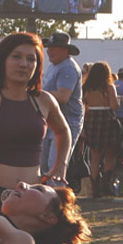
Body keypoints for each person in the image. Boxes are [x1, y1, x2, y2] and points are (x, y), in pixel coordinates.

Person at [0, 33, 69, 207]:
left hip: (32, 198)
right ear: (2, 60)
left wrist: (60, 165)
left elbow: (63, 131)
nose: (23, 64)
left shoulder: (44, 100)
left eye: (31, 59)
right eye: (16, 56)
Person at [41, 32, 83, 181]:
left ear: (66, 50)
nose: (49, 51)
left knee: (55, 167)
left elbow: (63, 96)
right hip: (52, 120)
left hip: (67, 121)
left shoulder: (68, 68)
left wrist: (36, 93)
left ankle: (57, 199)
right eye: (49, 47)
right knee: (44, 167)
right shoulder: (54, 66)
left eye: (54, 47)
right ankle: (45, 200)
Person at [78, 61, 122, 198]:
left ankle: (95, 188)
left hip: (92, 119)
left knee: (94, 156)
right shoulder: (109, 87)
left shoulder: (86, 87)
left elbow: (83, 107)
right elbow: (114, 106)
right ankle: (105, 185)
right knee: (110, 154)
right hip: (107, 118)